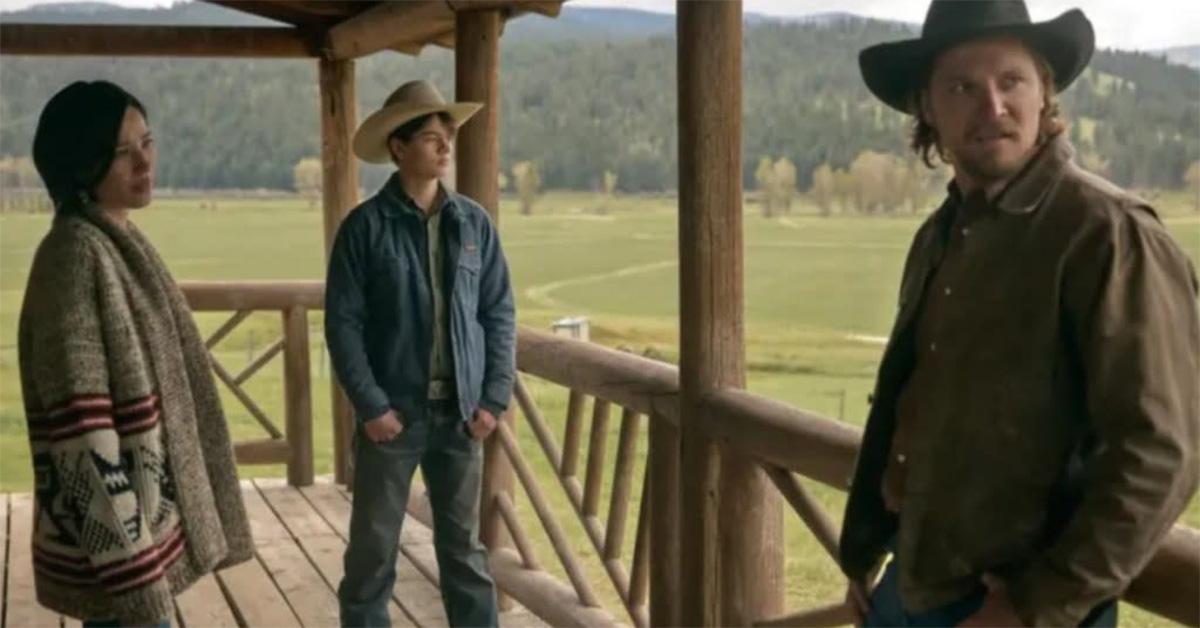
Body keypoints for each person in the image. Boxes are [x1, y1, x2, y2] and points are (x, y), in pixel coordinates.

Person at [839, 2, 1200, 626]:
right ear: (928, 107)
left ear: (1044, 95)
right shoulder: (942, 234)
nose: (992, 106)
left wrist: (1038, 605)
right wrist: (875, 553)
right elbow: (915, 406)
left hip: (1018, 605)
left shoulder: (1107, 234)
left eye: (1011, 82)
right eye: (962, 87)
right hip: (909, 583)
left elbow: (1160, 451)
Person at [18, 80, 253, 626]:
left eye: (147, 141)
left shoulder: (114, 239)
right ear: (82, 163)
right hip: (118, 569)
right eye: (123, 153)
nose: (144, 162)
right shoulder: (75, 258)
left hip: (132, 551)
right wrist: (141, 588)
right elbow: (83, 440)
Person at [326, 79, 515, 628]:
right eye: (432, 137)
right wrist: (371, 408)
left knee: (465, 555)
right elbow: (343, 325)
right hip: (393, 417)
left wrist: (493, 399)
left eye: (447, 137)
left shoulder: (474, 223)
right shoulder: (363, 229)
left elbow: (498, 312)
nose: (444, 148)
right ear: (398, 148)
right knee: (372, 553)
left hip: (460, 418)